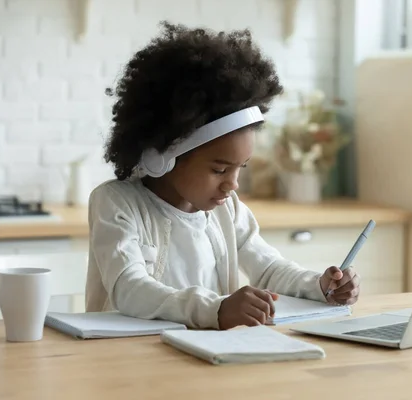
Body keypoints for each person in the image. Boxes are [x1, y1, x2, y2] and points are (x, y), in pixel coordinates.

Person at [85, 21, 360, 330]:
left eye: (240, 168)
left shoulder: (226, 209)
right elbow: (130, 290)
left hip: (208, 357)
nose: (232, 184)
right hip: (129, 362)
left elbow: (268, 267)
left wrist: (319, 286)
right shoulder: (116, 203)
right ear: (162, 155)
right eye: (219, 169)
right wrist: (215, 309)